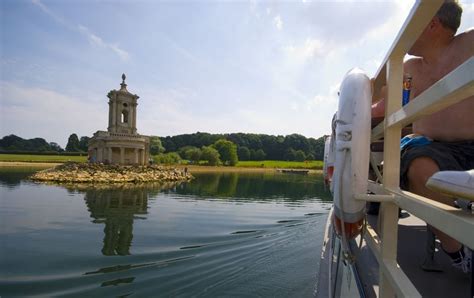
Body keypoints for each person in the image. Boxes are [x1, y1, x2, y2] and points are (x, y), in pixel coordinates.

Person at [371, 0, 474, 273]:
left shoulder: (471, 43)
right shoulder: (409, 68)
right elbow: (383, 108)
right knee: (419, 167)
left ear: (431, 23)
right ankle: (460, 255)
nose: (407, 34)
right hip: (431, 147)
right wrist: (355, 112)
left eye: (414, 25)